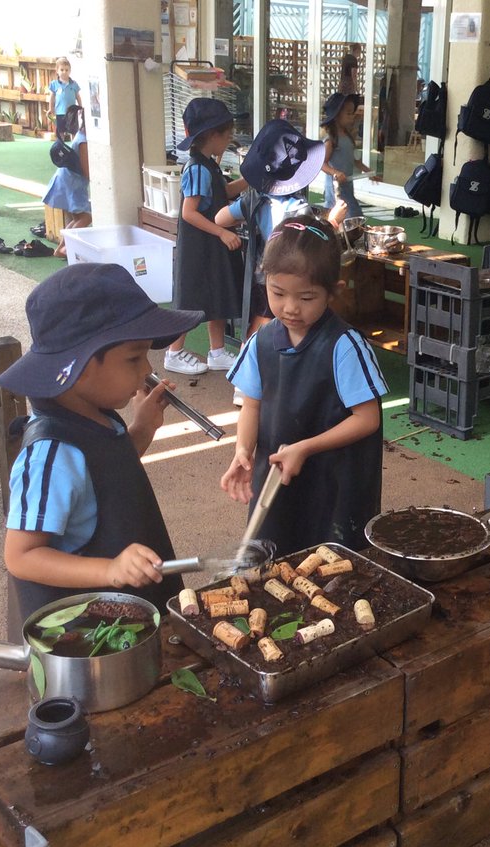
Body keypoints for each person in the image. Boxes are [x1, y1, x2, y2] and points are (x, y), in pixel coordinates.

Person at [0, 263, 203, 640]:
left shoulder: (98, 417)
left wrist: (141, 429)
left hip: (132, 615)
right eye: (134, 358)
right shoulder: (50, 454)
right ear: (81, 365)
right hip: (86, 639)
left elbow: (105, 476)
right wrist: (109, 570)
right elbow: (20, 556)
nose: (147, 370)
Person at [221, 215, 386, 555]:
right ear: (265, 282)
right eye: (277, 293)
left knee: (333, 563)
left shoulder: (344, 345)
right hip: (277, 478)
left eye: (307, 297)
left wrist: (306, 447)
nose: (290, 307)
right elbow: (251, 405)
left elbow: (367, 419)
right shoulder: (261, 341)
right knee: (273, 557)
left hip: (334, 483)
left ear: (333, 292)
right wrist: (243, 451)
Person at [211, 118, 338, 405]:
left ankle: (247, 383)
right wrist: (332, 222)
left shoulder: (253, 199)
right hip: (285, 277)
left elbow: (221, 218)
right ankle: (248, 386)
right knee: (266, 330)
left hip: (259, 273)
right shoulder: (298, 208)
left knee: (257, 325)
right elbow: (310, 243)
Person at [161, 98, 247, 378]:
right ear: (212, 136)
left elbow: (226, 192)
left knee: (219, 293)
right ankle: (173, 353)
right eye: (228, 135)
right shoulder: (196, 168)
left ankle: (217, 352)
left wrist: (252, 177)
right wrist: (222, 231)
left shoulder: (209, 165)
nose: (229, 140)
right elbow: (189, 213)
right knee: (192, 300)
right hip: (199, 248)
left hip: (213, 248)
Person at [319, 93, 377, 219]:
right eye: (348, 113)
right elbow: (322, 164)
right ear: (336, 115)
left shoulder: (348, 137)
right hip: (335, 189)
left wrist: (369, 172)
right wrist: (336, 173)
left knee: (353, 216)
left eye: (353, 113)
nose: (352, 117)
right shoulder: (331, 140)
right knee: (344, 217)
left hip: (347, 186)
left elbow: (355, 160)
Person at [42, 106, 90, 258]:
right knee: (86, 217)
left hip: (68, 181)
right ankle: (64, 249)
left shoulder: (80, 135)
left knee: (77, 218)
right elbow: (86, 169)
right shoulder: (83, 140)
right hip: (71, 183)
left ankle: (61, 249)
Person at [46, 56, 82, 140]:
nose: (64, 72)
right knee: (60, 131)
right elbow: (52, 98)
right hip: (60, 112)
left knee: (73, 131)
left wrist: (80, 108)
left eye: (67, 70)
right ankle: (61, 147)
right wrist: (51, 108)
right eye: (62, 70)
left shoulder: (73, 84)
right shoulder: (54, 84)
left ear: (70, 71)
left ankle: (73, 147)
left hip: (72, 112)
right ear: (57, 71)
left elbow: (78, 96)